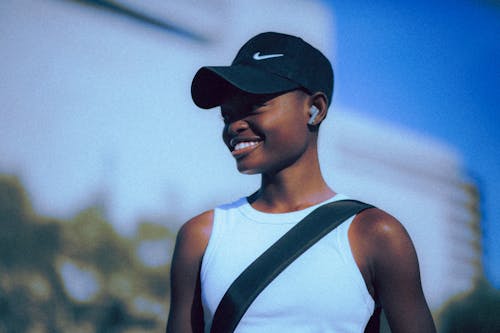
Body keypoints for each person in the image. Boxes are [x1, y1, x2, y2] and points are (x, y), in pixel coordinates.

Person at [166, 32, 436, 333]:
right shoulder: (201, 236)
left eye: (255, 105)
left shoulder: (375, 234)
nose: (235, 125)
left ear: (315, 109)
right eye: (227, 115)